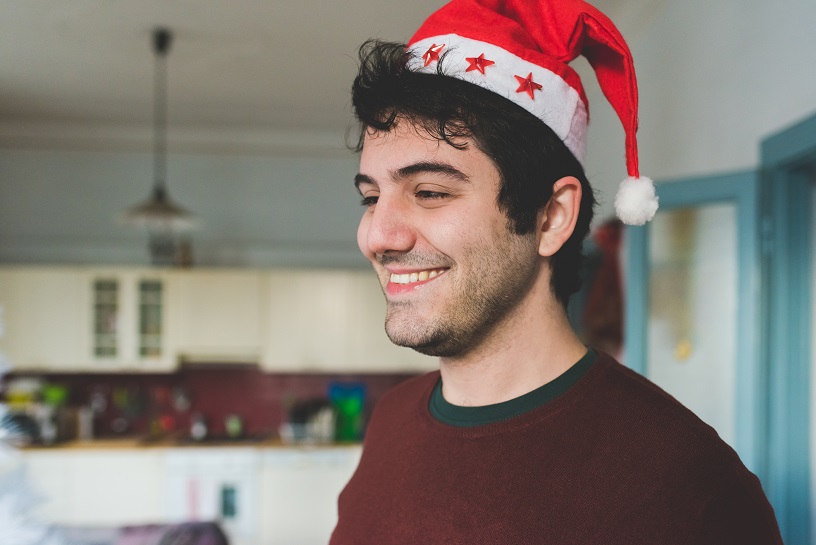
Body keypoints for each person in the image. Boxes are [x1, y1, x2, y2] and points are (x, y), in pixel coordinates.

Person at [330, 0, 783, 543]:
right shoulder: (391, 422)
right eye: (371, 198)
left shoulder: (687, 484)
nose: (378, 236)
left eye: (429, 192)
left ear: (551, 217)